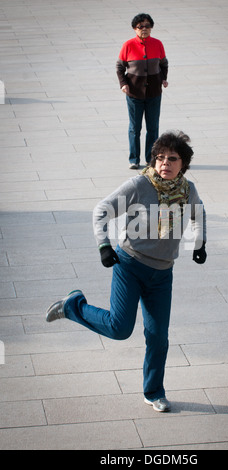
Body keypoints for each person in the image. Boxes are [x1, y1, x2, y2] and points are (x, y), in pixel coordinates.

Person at [46, 131, 207, 413]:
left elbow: (199, 213)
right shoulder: (139, 185)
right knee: (120, 329)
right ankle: (74, 306)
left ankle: (154, 391)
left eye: (172, 158)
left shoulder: (187, 190)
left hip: (162, 275)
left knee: (158, 337)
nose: (164, 163)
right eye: (160, 158)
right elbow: (102, 209)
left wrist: (200, 243)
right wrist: (103, 246)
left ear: (184, 163)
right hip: (130, 265)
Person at [116, 13, 169, 169]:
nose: (144, 29)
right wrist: (123, 84)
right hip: (134, 93)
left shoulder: (158, 44)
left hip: (154, 93)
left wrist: (163, 78)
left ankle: (150, 159)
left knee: (153, 127)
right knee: (135, 127)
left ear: (151, 28)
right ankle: (134, 159)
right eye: (140, 27)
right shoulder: (128, 45)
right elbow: (120, 67)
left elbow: (164, 64)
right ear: (135, 29)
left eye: (147, 26)